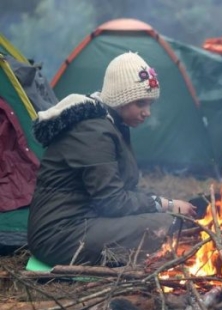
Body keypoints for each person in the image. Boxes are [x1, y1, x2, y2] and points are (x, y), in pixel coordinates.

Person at [28, 52, 197, 267]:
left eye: (150, 104)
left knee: (168, 224)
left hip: (84, 221)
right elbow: (112, 201)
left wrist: (160, 204)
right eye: (141, 103)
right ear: (121, 99)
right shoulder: (93, 131)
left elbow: (118, 193)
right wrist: (166, 205)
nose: (147, 112)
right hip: (59, 235)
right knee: (167, 225)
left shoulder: (108, 123)